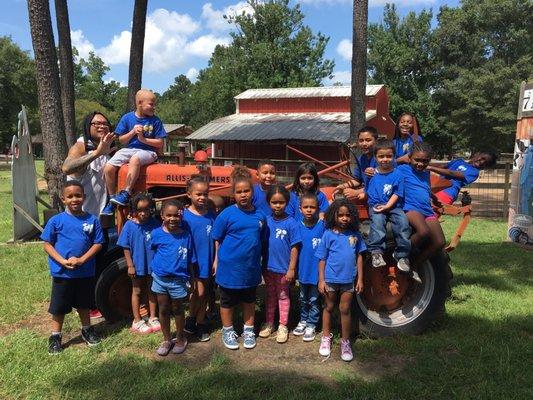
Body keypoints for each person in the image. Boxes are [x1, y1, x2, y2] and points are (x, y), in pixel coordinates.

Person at [41, 180, 105, 354]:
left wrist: (82, 259)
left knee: (84, 304)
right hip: (63, 273)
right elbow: (47, 244)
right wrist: (62, 261)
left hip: (84, 272)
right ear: (63, 199)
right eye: (70, 196)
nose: (74, 199)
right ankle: (55, 336)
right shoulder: (56, 221)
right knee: (59, 307)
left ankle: (87, 330)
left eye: (78, 195)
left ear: (84, 197)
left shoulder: (92, 220)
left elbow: (98, 243)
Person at [212, 166, 267, 350]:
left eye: (246, 191)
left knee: (249, 300)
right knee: (227, 301)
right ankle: (228, 330)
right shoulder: (226, 215)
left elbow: (261, 240)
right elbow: (217, 239)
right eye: (239, 192)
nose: (243, 195)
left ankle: (249, 329)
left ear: (253, 192)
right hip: (229, 268)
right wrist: (216, 261)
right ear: (233, 194)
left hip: (250, 268)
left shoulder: (260, 215)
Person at [315, 199, 365, 362]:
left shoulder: (355, 235)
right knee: (328, 307)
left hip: (348, 280)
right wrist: (321, 280)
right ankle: (325, 338)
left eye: (347, 215)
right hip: (330, 279)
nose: (344, 218)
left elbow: (359, 256)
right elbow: (322, 259)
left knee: (345, 309)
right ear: (333, 216)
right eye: (340, 215)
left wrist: (360, 279)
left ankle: (345, 342)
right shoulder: (328, 234)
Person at [102, 89, 167, 215]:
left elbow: (160, 143)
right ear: (140, 103)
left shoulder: (155, 120)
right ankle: (112, 200)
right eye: (151, 104)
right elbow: (121, 140)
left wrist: (143, 139)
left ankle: (126, 192)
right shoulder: (127, 118)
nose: (154, 107)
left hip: (148, 152)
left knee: (135, 159)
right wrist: (132, 132)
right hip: (129, 149)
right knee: (108, 167)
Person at [150, 199, 196, 356]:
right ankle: (166, 339)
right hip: (160, 279)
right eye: (168, 215)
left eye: (176, 215)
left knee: (178, 309)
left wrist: (192, 278)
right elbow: (153, 251)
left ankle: (181, 338)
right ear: (162, 215)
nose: (172, 218)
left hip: (178, 280)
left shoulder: (186, 236)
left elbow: (190, 259)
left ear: (181, 215)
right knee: (163, 309)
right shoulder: (156, 234)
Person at [259, 185, 301, 344]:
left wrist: (291, 269)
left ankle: (283, 325)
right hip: (268, 268)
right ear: (269, 203)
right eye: (274, 202)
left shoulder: (292, 223)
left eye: (281, 202)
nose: (277, 205)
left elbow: (295, 247)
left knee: (283, 296)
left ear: (287, 202)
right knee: (270, 295)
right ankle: (269, 323)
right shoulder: (266, 221)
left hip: (284, 270)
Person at [397, 142, 446, 271]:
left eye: (425, 161)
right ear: (409, 158)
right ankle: (400, 252)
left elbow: (426, 188)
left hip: (427, 210)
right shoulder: (402, 169)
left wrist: (434, 198)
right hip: (411, 207)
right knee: (423, 232)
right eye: (417, 160)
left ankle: (415, 265)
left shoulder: (425, 174)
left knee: (440, 242)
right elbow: (386, 164)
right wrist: (401, 158)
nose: (420, 164)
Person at [365, 139, 412, 273]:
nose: (385, 159)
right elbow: (367, 188)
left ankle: (402, 255)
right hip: (376, 205)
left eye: (389, 156)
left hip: (394, 205)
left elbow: (397, 193)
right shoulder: (372, 173)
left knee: (403, 223)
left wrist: (388, 206)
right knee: (378, 222)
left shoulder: (397, 174)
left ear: (394, 157)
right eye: (381, 156)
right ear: (375, 157)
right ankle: (376, 252)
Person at [117, 193, 161, 334]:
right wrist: (130, 265)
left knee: (152, 289)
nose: (143, 213)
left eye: (147, 209)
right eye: (140, 210)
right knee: (136, 290)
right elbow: (125, 247)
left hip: (152, 264)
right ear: (134, 210)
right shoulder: (129, 226)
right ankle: (137, 320)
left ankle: (153, 317)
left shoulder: (155, 224)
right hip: (137, 264)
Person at [62, 112, 115, 218]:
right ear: (88, 126)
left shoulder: (109, 148)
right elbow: (67, 168)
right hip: (78, 219)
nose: (102, 126)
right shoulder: (81, 146)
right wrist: (97, 153)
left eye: (105, 124)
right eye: (97, 123)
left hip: (99, 220)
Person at [183, 176, 216, 342]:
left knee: (204, 292)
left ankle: (199, 322)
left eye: (205, 194)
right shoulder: (184, 217)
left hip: (208, 261)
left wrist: (216, 260)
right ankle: (192, 318)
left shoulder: (211, 216)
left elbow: (217, 240)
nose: (202, 197)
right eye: (198, 194)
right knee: (197, 292)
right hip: (192, 262)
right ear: (189, 194)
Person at [293, 193, 325, 342]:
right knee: (302, 298)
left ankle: (312, 324)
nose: (309, 210)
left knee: (314, 299)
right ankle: (303, 320)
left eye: (312, 207)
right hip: (303, 272)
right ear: (300, 209)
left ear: (318, 209)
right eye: (306, 207)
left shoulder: (322, 226)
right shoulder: (297, 226)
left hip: (317, 273)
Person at [429, 151, 497, 205]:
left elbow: (451, 173)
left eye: (486, 163)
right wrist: (425, 164)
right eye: (483, 158)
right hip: (435, 189)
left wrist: (429, 167)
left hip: (447, 193)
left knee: (429, 216)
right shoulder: (459, 161)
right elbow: (443, 166)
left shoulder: (474, 172)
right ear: (477, 154)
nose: (482, 162)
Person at [334, 126, 379, 201]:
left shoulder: (382, 159)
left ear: (376, 141)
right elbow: (357, 180)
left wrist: (356, 192)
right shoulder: (361, 159)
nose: (364, 144)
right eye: (361, 140)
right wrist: (342, 186)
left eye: (368, 140)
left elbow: (382, 183)